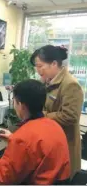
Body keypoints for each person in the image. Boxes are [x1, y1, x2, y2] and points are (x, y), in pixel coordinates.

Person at [0, 79, 70, 185]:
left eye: (14, 100)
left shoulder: (23, 138)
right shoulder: (54, 126)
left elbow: (3, 176)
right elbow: (36, 146)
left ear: (21, 105)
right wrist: (13, 137)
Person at [30, 45, 84, 178]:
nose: (38, 70)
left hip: (64, 143)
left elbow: (70, 116)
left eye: (40, 66)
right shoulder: (48, 81)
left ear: (54, 63)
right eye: (36, 66)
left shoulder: (70, 84)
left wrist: (42, 116)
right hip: (50, 141)